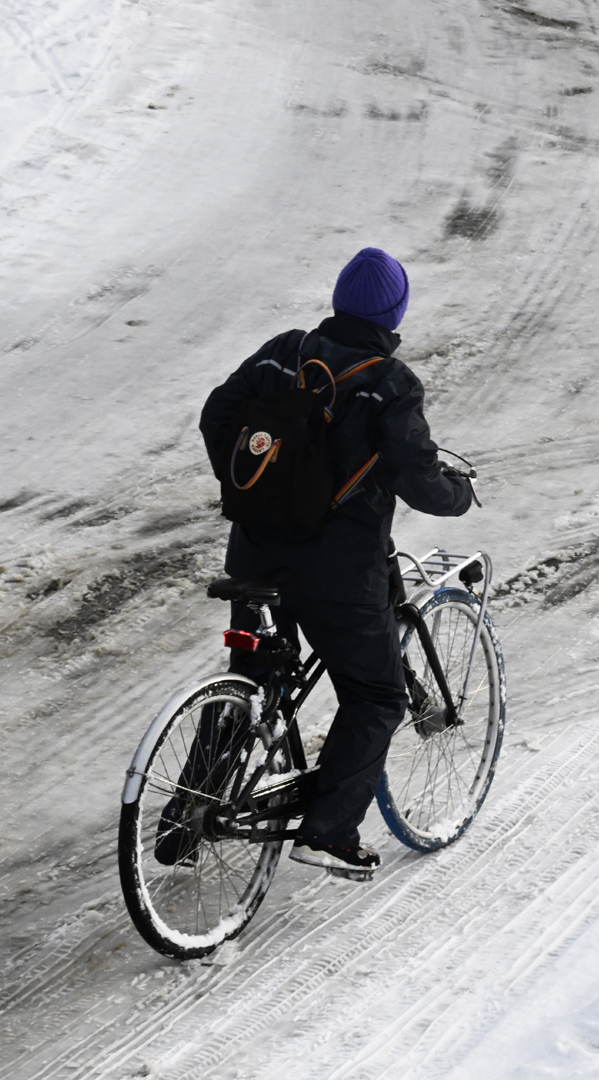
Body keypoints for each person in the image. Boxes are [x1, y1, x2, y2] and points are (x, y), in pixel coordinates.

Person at [197, 248, 473, 877]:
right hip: (341, 574)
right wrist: (459, 492)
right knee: (376, 695)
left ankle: (190, 811)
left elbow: (218, 414)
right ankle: (328, 829)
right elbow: (419, 479)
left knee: (254, 676)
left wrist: (247, 489)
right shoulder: (389, 383)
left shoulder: (285, 350)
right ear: (394, 312)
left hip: (254, 554)